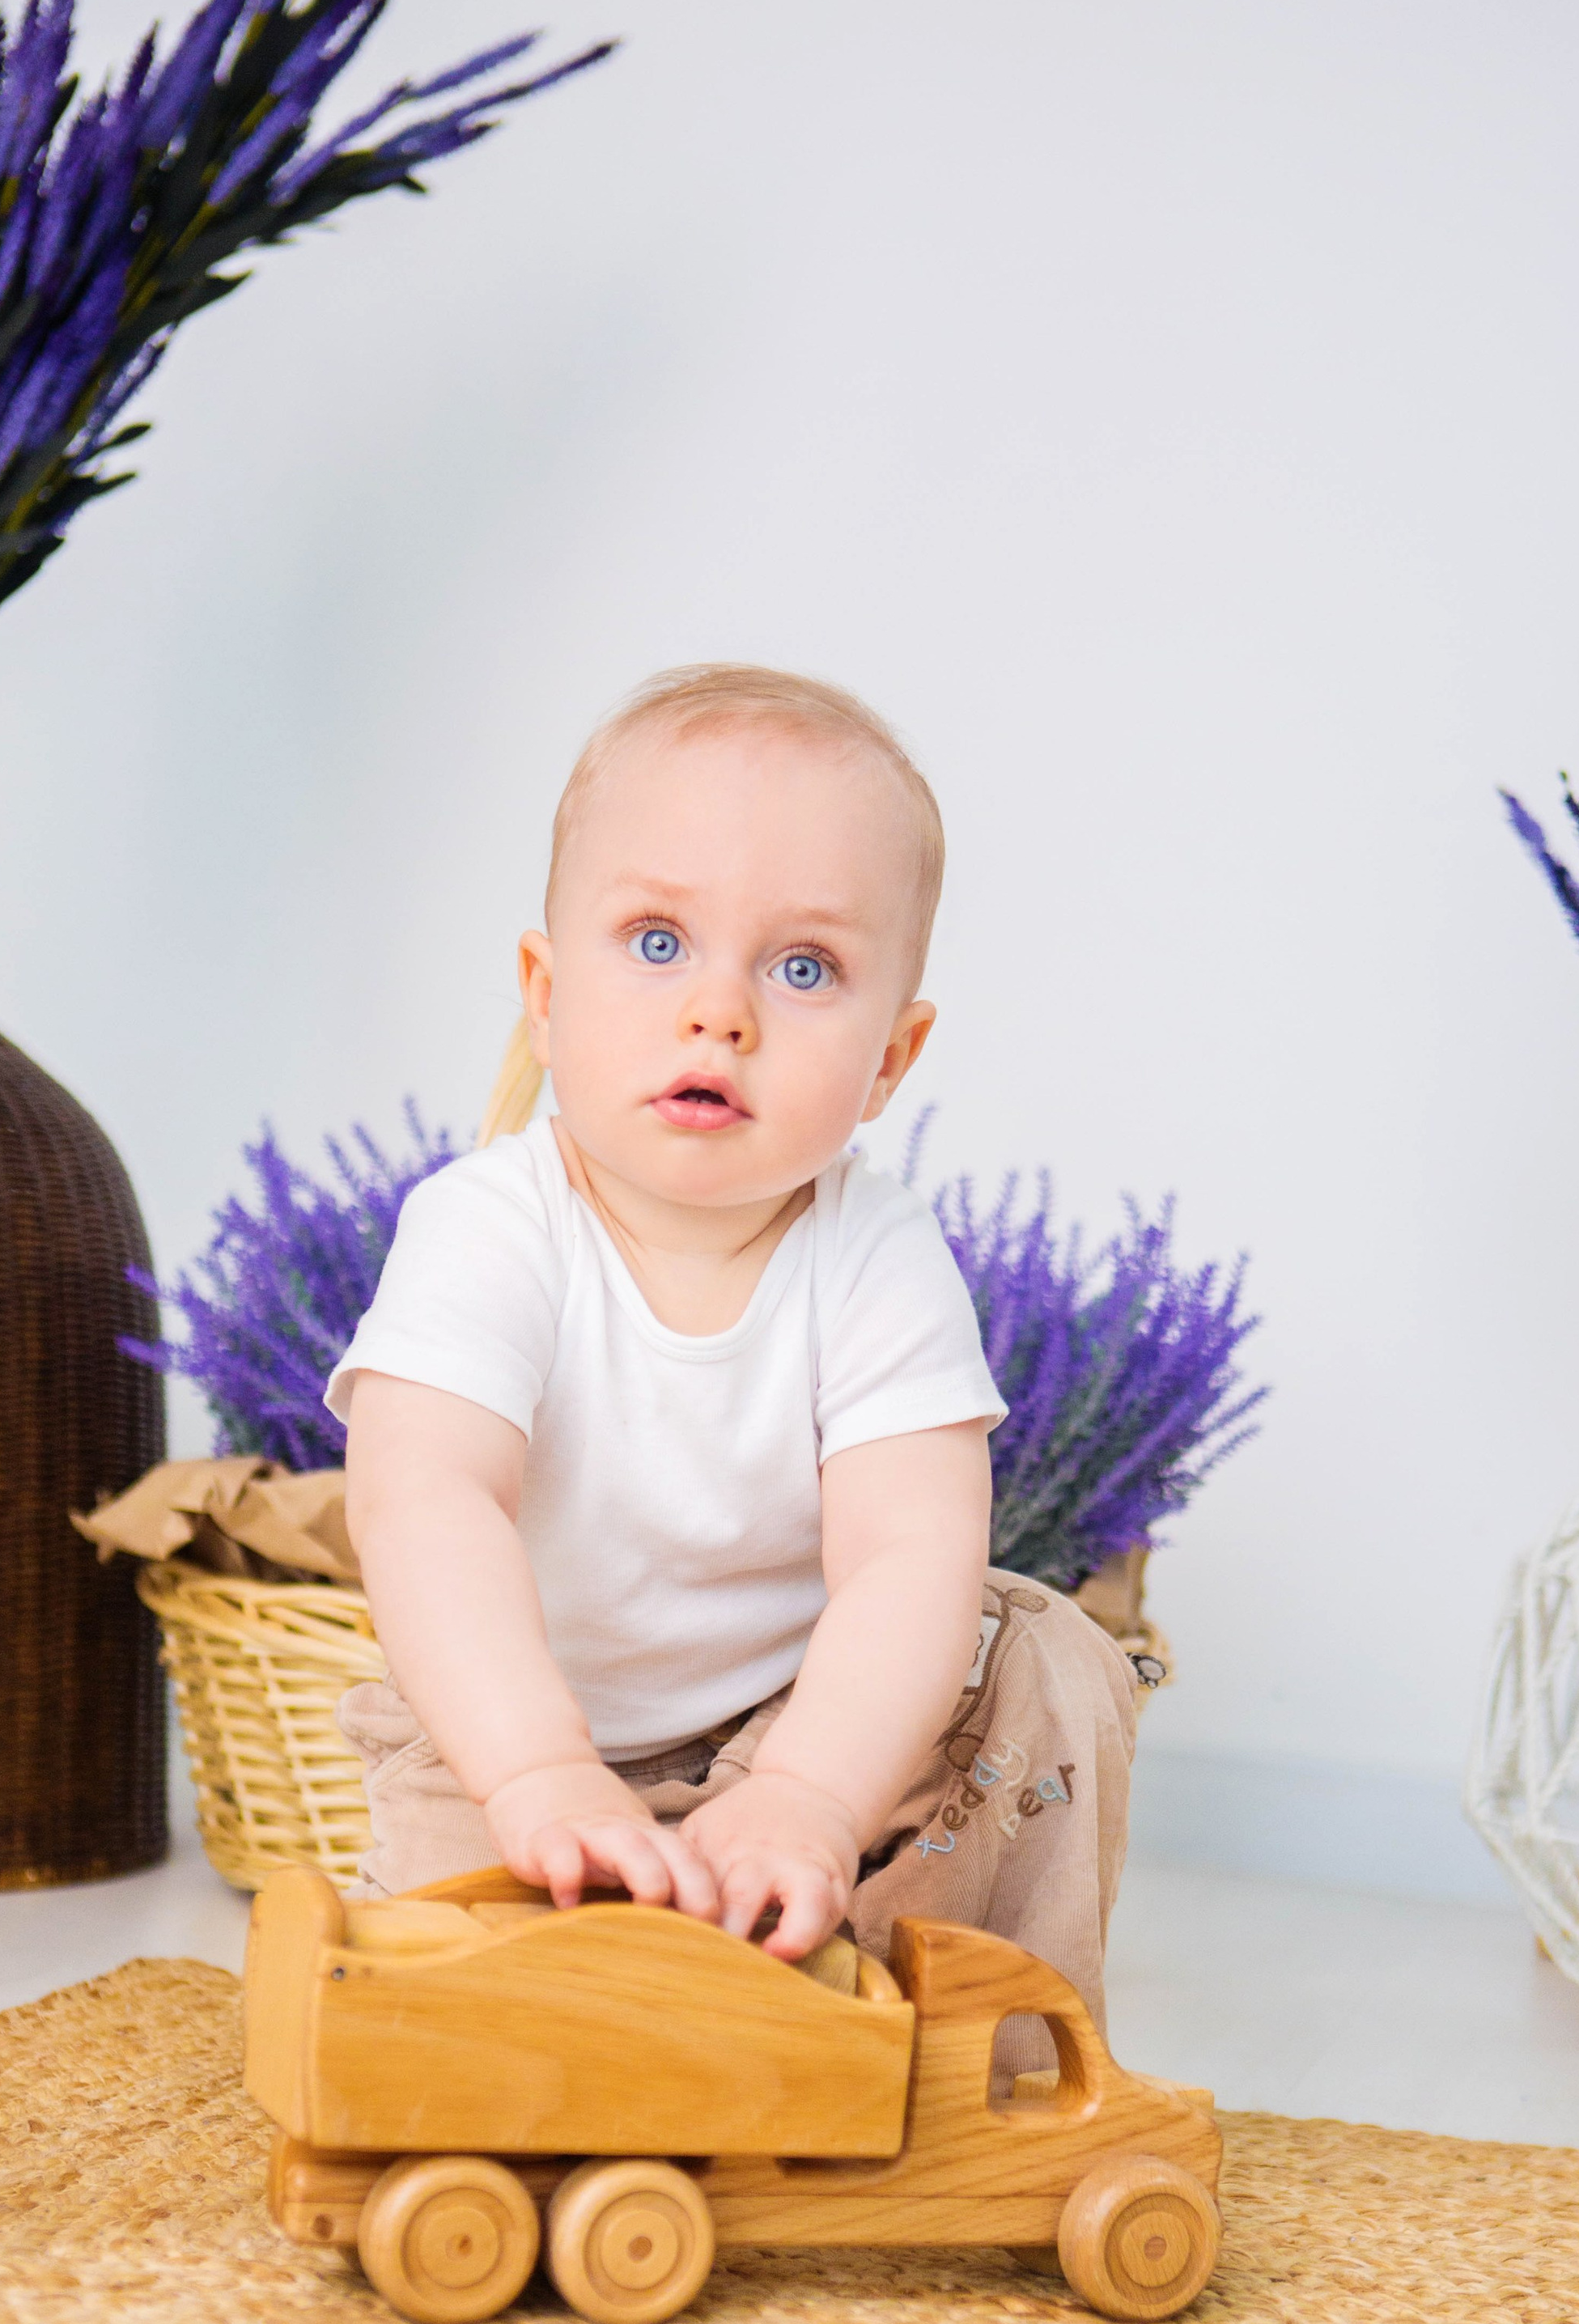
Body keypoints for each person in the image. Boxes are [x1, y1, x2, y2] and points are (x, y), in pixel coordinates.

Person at [329, 665, 1138, 2068]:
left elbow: (907, 1559)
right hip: (508, 1729)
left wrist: (817, 1796)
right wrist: (538, 1772)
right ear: (543, 991)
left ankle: (968, 2033)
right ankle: (583, 2005)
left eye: (802, 967)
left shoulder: (877, 1253)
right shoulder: (487, 1227)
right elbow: (426, 1502)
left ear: (891, 1058)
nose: (722, 1012)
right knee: (474, 2019)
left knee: (1043, 1646)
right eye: (655, 942)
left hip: (798, 1731)